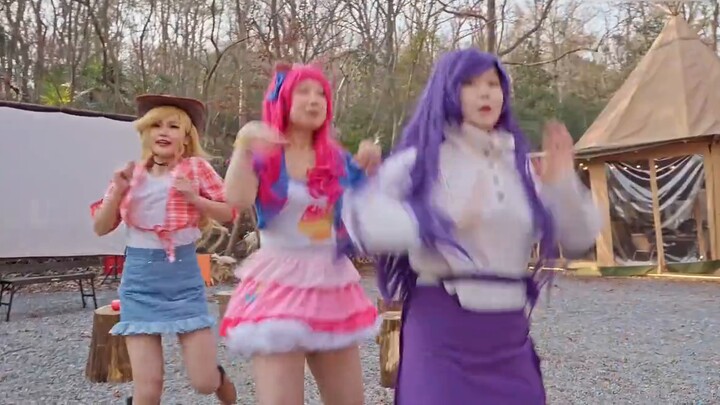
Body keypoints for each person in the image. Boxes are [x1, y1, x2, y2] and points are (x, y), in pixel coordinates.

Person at [342, 49, 602, 404]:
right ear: (448, 90)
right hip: (442, 332)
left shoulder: (519, 167)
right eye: (471, 83)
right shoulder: (420, 162)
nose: (485, 93)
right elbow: (361, 220)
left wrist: (563, 185)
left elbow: (578, 238)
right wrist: (434, 223)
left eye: (493, 84)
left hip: (509, 336)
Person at [219, 63, 382, 405]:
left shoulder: (337, 158)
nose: (314, 100)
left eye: (321, 93)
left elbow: (365, 217)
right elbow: (236, 199)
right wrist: (244, 145)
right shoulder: (265, 152)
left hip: (331, 281)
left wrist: (370, 173)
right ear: (282, 100)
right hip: (279, 282)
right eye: (303, 92)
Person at [91, 94, 238, 405]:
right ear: (145, 132)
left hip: (183, 278)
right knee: (148, 390)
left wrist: (195, 199)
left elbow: (230, 211)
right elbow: (101, 227)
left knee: (204, 381)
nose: (164, 132)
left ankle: (221, 383)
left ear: (186, 136)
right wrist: (117, 192)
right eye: (156, 125)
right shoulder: (130, 175)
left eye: (173, 126)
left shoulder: (196, 169)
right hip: (140, 282)